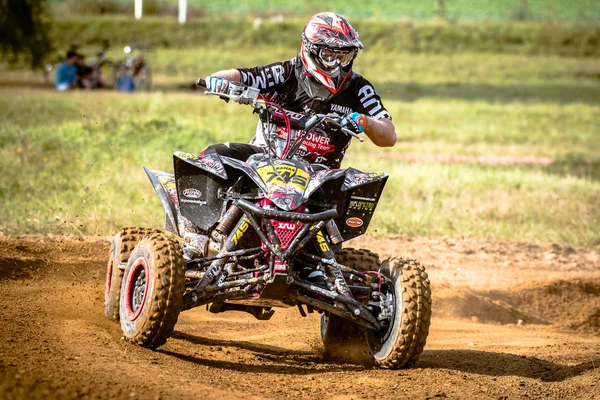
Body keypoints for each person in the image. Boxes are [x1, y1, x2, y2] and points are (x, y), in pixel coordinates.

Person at [202, 12, 397, 169]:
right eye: (329, 56)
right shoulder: (284, 73)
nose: (337, 64)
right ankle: (198, 218)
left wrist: (365, 122)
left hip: (320, 171)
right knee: (214, 155)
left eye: (344, 57)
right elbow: (242, 76)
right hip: (265, 159)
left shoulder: (359, 88)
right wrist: (219, 80)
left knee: (360, 186)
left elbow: (389, 135)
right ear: (310, 49)